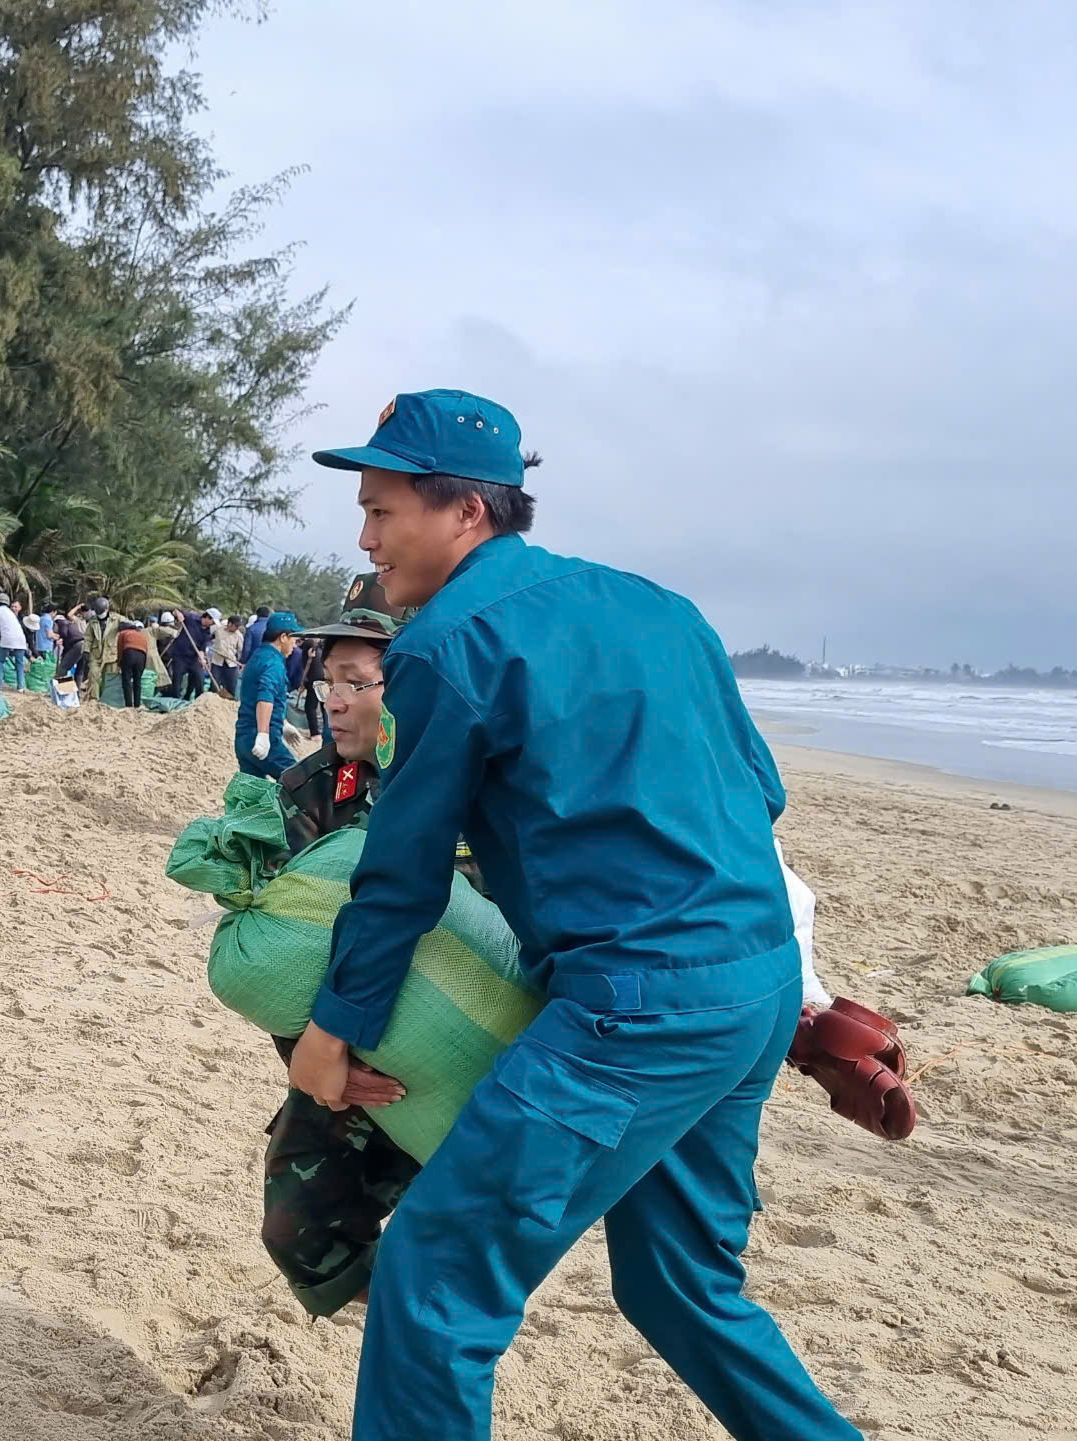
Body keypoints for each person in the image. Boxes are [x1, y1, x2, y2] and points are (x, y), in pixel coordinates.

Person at [288, 388, 859, 1441]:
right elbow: (759, 793)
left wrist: (331, 1033)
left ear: (465, 511)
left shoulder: (447, 642)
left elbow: (402, 875)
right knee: (682, 1284)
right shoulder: (661, 608)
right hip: (755, 987)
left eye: (381, 511)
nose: (366, 541)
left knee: (433, 1279)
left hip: (634, 1014)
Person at [258, 602, 411, 1314]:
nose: (337, 701)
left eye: (358, 680)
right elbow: (285, 952)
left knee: (443, 1228)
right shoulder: (309, 789)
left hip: (462, 1054)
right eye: (328, 683)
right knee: (297, 1217)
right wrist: (317, 1060)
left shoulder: (461, 779)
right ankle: (385, 1315)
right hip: (343, 1047)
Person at [235, 610, 300, 776]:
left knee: (253, 794)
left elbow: (259, 695)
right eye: (294, 638)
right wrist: (263, 734)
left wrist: (283, 723)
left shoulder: (258, 656)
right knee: (299, 781)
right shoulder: (273, 663)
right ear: (283, 637)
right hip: (263, 739)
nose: (295, 644)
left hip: (243, 738)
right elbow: (265, 697)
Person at [0, 593, 29, 688]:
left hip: (8, 639)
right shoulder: (10, 613)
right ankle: (21, 687)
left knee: (0, 661)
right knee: (19, 664)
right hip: (20, 640)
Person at [209, 615, 244, 697]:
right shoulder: (218, 630)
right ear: (229, 624)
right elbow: (208, 637)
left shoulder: (238, 635)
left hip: (231, 663)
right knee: (214, 685)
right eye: (235, 626)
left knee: (231, 686)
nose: (236, 628)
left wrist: (241, 661)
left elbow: (240, 650)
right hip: (217, 662)